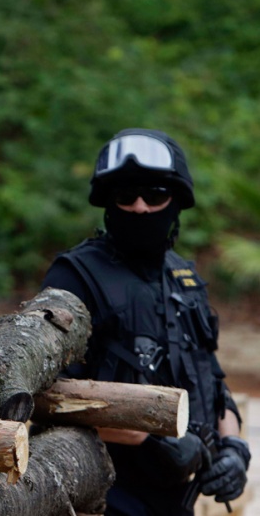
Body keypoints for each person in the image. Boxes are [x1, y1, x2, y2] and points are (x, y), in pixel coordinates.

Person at [41, 128, 251, 516]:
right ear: (108, 202)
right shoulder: (75, 276)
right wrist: (150, 438)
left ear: (176, 202)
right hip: (102, 497)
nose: (139, 208)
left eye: (154, 196)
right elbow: (45, 397)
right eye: (126, 196)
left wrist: (234, 447)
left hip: (174, 500)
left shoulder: (183, 279)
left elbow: (212, 380)